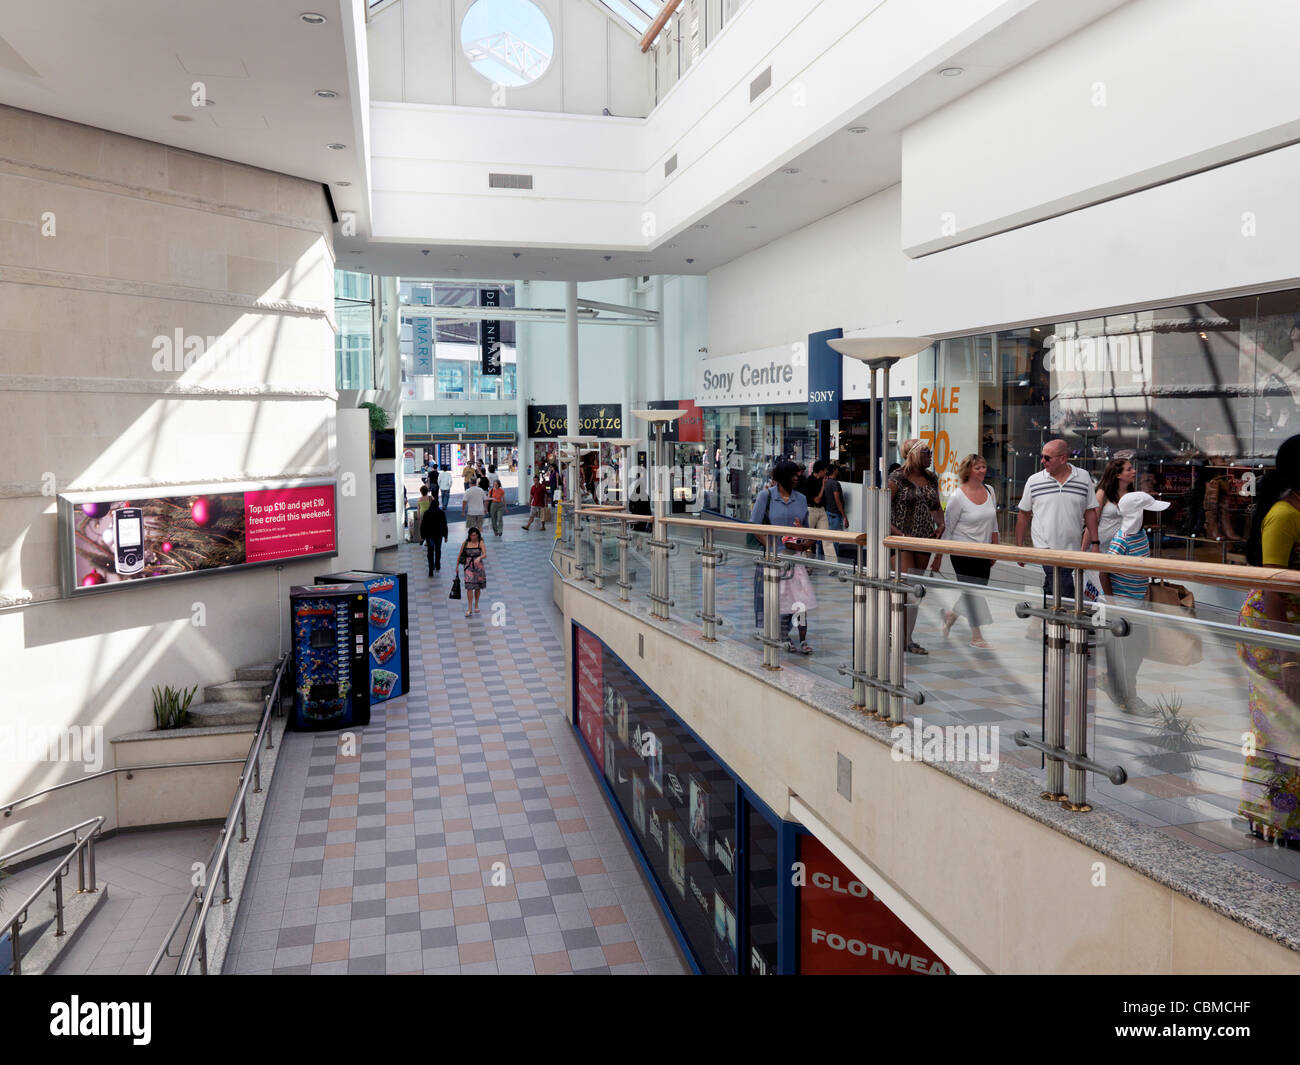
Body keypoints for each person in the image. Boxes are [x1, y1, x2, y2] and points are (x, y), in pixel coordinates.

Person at [1238, 434, 1300, 843]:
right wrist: (1289, 658)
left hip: (1290, 628)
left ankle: (1279, 818)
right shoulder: (1283, 513)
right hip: (1273, 630)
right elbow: (1273, 586)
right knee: (1277, 722)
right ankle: (1272, 818)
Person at [1098, 491, 1168, 715]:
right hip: (1124, 607)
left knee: (1138, 650)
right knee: (1130, 653)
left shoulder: (1140, 536)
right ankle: (1129, 697)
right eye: (1149, 511)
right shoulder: (1122, 540)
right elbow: (1104, 571)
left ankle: (1120, 689)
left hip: (1137, 603)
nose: (1154, 516)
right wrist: (1113, 604)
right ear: (1139, 514)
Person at [1014, 437, 1099, 599]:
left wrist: (1095, 543)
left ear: (1063, 459)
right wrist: (1019, 547)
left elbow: (1090, 512)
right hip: (1045, 548)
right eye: (1042, 456)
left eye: (1047, 457)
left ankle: (1038, 621)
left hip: (1071, 548)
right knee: (1065, 593)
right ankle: (1073, 625)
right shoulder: (1034, 481)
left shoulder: (1083, 477)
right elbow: (1023, 514)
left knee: (1053, 589)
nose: (1042, 461)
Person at [933, 454, 998, 649]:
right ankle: (976, 635)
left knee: (976, 590)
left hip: (983, 551)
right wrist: (938, 556)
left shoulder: (990, 491)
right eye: (978, 467)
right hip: (962, 552)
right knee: (973, 592)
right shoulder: (957, 496)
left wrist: (996, 549)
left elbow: (994, 523)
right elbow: (949, 528)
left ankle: (949, 617)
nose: (982, 471)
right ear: (968, 470)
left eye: (984, 466)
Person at [889, 439, 944, 654]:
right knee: (906, 590)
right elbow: (881, 512)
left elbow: (936, 507)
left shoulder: (931, 478)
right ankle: (896, 634)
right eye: (926, 452)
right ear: (912, 454)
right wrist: (901, 534)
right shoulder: (896, 479)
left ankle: (906, 638)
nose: (930, 455)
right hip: (900, 539)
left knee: (915, 592)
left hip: (923, 539)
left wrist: (941, 524)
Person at [749, 460, 808, 631]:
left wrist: (804, 543)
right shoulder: (765, 496)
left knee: (798, 599)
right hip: (772, 559)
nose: (798, 477)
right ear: (783, 477)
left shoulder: (802, 499)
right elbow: (754, 526)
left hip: (794, 559)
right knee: (773, 599)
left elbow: (807, 529)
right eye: (794, 474)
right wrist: (772, 549)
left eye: (798, 474)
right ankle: (776, 633)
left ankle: (791, 635)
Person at [778, 534, 816, 655]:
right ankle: (784, 638)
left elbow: (806, 562)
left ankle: (803, 641)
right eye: (796, 543)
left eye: (800, 542)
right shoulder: (782, 555)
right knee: (785, 613)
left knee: (802, 614)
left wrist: (808, 567)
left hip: (800, 589)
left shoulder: (800, 555)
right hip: (786, 588)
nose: (799, 545)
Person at [1095, 455, 1136, 553]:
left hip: (1124, 547)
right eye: (1129, 469)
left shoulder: (1132, 494)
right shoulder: (1102, 493)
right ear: (1118, 475)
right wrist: (1086, 548)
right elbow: (1092, 522)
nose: (1134, 471)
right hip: (1102, 546)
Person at [457, 527, 487, 618]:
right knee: (469, 587)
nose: (473, 537)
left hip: (479, 567)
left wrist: (480, 557)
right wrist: (457, 567)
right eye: (471, 535)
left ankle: (476, 605)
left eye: (474, 535)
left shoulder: (480, 542)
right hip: (468, 567)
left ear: (477, 535)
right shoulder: (465, 543)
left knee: (477, 586)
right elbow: (459, 555)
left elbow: (485, 554)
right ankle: (469, 608)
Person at [419, 493, 449, 575]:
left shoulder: (427, 513)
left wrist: (422, 536)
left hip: (429, 535)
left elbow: (423, 525)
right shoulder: (441, 513)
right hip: (439, 535)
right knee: (438, 550)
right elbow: (444, 525)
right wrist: (446, 536)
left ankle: (431, 568)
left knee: (430, 551)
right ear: (438, 505)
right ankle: (437, 564)